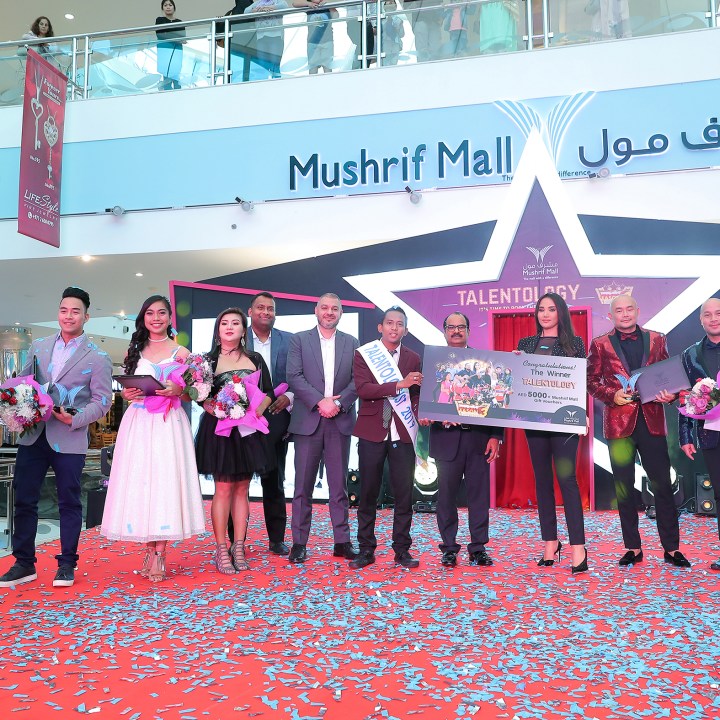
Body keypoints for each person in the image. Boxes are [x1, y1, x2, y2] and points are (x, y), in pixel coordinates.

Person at [0, 287, 113, 589]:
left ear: (86, 317)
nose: (68, 316)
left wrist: (76, 418)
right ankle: (24, 563)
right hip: (33, 435)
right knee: (24, 500)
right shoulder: (39, 346)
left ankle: (66, 564)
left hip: (70, 436)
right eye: (64, 310)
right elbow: (23, 384)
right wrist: (17, 407)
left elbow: (103, 401)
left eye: (75, 311)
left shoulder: (98, 357)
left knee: (69, 503)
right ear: (58, 313)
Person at [100, 295, 205, 582]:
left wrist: (177, 391)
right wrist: (126, 393)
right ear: (143, 318)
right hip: (138, 422)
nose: (156, 318)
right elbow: (127, 389)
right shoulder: (134, 349)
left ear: (170, 317)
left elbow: (194, 393)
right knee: (141, 483)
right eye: (150, 313)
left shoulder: (182, 352)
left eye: (161, 313)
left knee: (164, 483)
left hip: (168, 423)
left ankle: (160, 552)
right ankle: (148, 549)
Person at [587, 294, 690, 568]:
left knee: (663, 486)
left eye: (629, 309)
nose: (625, 314)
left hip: (652, 421)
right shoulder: (599, 344)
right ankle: (633, 547)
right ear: (611, 315)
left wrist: (671, 394)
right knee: (623, 488)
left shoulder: (657, 339)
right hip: (618, 425)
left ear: (637, 310)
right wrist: (611, 395)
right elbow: (591, 381)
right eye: (619, 310)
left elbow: (668, 375)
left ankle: (671, 548)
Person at [195, 308, 275, 574]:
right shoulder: (206, 361)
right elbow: (197, 395)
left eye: (235, 323)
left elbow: (269, 392)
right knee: (223, 489)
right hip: (220, 431)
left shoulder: (255, 358)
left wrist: (257, 409)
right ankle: (221, 549)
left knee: (242, 489)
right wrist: (212, 407)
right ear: (218, 330)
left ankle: (238, 547)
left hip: (247, 430)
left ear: (243, 330)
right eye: (224, 323)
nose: (229, 327)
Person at [422, 313, 502, 568]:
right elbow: (425, 398)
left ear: (468, 330)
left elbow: (497, 400)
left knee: (479, 497)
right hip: (446, 439)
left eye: (461, 327)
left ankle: (478, 548)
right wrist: (428, 414)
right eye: (451, 327)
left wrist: (495, 435)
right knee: (446, 498)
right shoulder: (433, 363)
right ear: (444, 330)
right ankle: (449, 548)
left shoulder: (485, 363)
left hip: (478, 439)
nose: (456, 331)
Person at [517, 293, 588, 574]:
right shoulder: (525, 344)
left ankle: (578, 547)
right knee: (542, 481)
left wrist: (582, 414)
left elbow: (579, 382)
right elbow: (519, 381)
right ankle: (550, 542)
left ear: (561, 313)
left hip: (564, 420)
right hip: (534, 420)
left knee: (567, 480)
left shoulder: (575, 344)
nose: (545, 314)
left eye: (551, 309)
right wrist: (514, 364)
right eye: (540, 309)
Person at [286, 293, 359, 563]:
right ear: (316, 310)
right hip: (309, 421)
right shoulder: (299, 340)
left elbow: (358, 380)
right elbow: (294, 376)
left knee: (339, 487)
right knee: (302, 487)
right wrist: (320, 402)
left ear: (341, 313)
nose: (329, 312)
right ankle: (299, 543)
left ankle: (342, 541)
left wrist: (338, 404)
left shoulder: (351, 342)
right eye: (325, 308)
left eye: (334, 308)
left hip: (339, 421)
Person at [349, 307, 423, 569]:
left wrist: (420, 413)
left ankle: (402, 550)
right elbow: (363, 389)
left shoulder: (413, 357)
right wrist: (398, 384)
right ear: (380, 327)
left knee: (404, 494)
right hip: (372, 430)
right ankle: (366, 549)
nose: (394, 328)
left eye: (399, 324)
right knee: (368, 493)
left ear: (406, 330)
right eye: (389, 323)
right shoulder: (365, 354)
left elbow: (415, 395)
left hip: (403, 432)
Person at [244, 291, 294, 555]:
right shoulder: (236, 337)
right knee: (238, 481)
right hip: (240, 416)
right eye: (260, 307)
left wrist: (290, 396)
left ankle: (276, 539)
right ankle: (236, 542)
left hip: (275, 414)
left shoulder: (290, 340)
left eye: (270, 308)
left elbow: (297, 375)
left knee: (274, 479)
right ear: (250, 312)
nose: (265, 312)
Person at [679, 297, 720, 570]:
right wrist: (685, 436)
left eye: (719, 313)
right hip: (710, 434)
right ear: (701, 320)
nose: (714, 318)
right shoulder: (690, 354)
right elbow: (686, 396)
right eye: (708, 314)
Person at [244, 0, 289, 78]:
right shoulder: (258, 3)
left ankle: (277, 81)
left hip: (275, 36)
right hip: (261, 37)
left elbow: (285, 6)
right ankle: (264, 81)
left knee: (275, 62)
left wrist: (269, 7)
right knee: (262, 63)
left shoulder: (277, 1)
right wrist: (256, 10)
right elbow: (246, 11)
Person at [155, 0, 186, 91]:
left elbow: (182, 37)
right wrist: (176, 38)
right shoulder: (160, 20)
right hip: (165, 49)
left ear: (174, 7)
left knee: (176, 76)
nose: (168, 7)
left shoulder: (179, 22)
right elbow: (160, 35)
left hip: (176, 50)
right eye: (165, 5)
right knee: (166, 75)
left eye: (170, 5)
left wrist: (168, 33)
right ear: (162, 8)